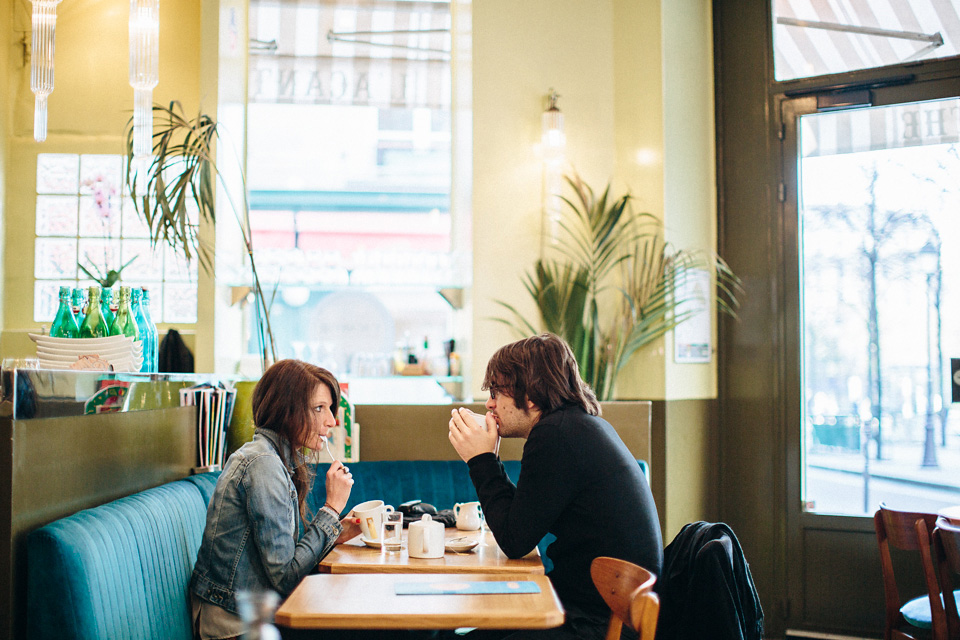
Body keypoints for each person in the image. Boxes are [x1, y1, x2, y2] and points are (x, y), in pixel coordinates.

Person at [448, 334, 663, 640]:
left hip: (597, 625)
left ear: (532, 395)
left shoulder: (556, 436)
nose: (489, 403)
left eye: (496, 392)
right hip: (596, 611)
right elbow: (519, 523)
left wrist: (481, 460)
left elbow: (514, 541)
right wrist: (488, 457)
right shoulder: (574, 427)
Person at [190, 359, 360, 640]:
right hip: (234, 627)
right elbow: (286, 576)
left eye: (330, 408)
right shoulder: (263, 464)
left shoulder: (277, 459)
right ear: (287, 411)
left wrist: (335, 533)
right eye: (319, 408)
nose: (332, 420)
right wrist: (331, 509)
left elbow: (285, 559)